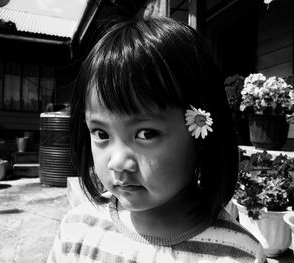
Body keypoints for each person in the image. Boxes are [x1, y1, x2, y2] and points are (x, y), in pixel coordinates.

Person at [47, 1, 267, 262]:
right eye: (101, 134)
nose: (117, 163)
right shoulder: (77, 231)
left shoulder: (238, 254)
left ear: (199, 131)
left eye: (146, 134)